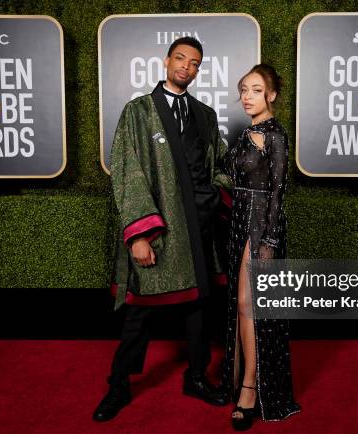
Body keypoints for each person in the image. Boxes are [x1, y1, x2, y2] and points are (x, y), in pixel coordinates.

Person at [93, 36, 232, 422]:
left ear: (199, 70)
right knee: (140, 311)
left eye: (195, 63)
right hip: (159, 226)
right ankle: (118, 385)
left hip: (199, 225)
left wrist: (229, 190)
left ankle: (196, 377)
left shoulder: (205, 115)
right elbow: (127, 170)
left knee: (199, 307)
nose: (186, 67)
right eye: (180, 59)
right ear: (167, 61)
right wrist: (139, 233)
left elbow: (215, 165)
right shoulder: (138, 111)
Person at [221, 64, 301, 430]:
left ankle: (251, 388)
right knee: (240, 306)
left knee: (249, 304)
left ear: (271, 95)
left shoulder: (276, 137)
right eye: (243, 89)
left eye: (255, 89)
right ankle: (239, 378)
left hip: (262, 226)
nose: (247, 96)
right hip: (238, 222)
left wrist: (268, 240)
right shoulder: (246, 134)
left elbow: (277, 194)